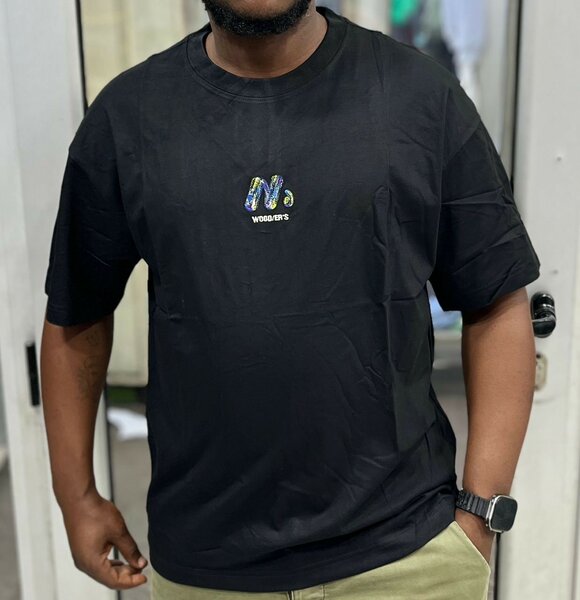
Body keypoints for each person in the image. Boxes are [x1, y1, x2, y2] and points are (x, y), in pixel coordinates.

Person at [40, 1, 541, 599]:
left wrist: (482, 513)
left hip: (408, 558)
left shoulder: (419, 96)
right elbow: (76, 314)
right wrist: (75, 496)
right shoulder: (130, 116)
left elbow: (496, 299)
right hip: (209, 567)